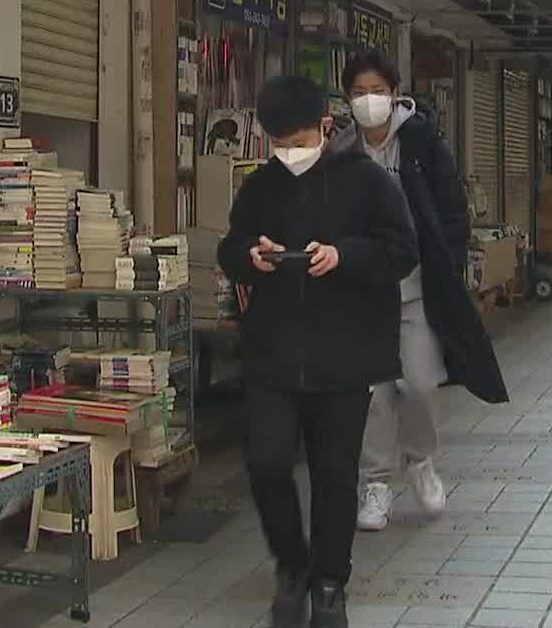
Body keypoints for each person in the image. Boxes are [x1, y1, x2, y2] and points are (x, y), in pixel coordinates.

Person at [216, 75, 419, 628]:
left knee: (335, 476)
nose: (289, 153)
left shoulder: (368, 182)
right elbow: (230, 246)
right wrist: (249, 258)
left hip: (343, 355)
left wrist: (343, 256)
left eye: (298, 141)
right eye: (279, 143)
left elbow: (401, 250)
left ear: (325, 128)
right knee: (266, 462)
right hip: (273, 352)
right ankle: (292, 565)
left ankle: (330, 583)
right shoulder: (261, 186)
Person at [333, 52, 509, 533]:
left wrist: (450, 262)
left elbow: (451, 207)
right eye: (359, 91)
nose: (369, 100)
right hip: (365, 292)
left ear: (393, 92)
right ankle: (375, 484)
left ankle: (420, 460)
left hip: (415, 287)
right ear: (349, 99)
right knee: (372, 393)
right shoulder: (343, 152)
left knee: (419, 382)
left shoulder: (421, 139)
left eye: (376, 89)